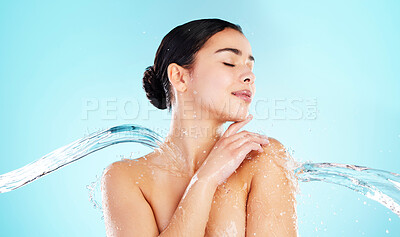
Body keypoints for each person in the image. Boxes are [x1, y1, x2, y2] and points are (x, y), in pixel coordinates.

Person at [101, 18, 298, 237]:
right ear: (180, 77)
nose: (249, 76)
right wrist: (205, 179)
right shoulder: (125, 178)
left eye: (250, 67)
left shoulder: (262, 157)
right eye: (229, 63)